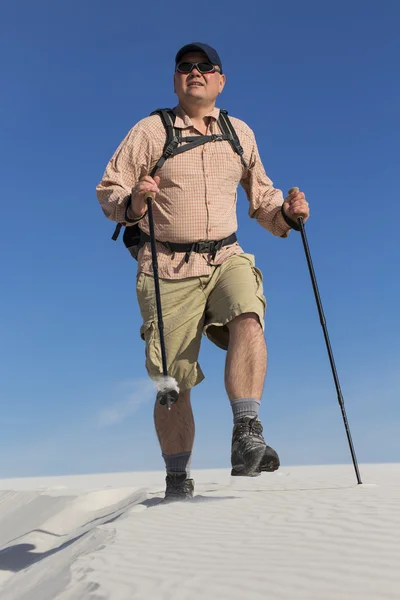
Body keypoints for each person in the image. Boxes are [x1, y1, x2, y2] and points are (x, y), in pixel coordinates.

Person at [96, 42, 310, 502]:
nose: (195, 72)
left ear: (220, 80)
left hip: (225, 256)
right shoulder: (151, 131)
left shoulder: (240, 133)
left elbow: (264, 200)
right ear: (176, 79)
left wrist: (289, 216)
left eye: (205, 67)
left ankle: (246, 434)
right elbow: (109, 190)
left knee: (248, 313)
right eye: (185, 67)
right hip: (167, 265)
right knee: (173, 380)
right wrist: (133, 201)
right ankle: (177, 481)